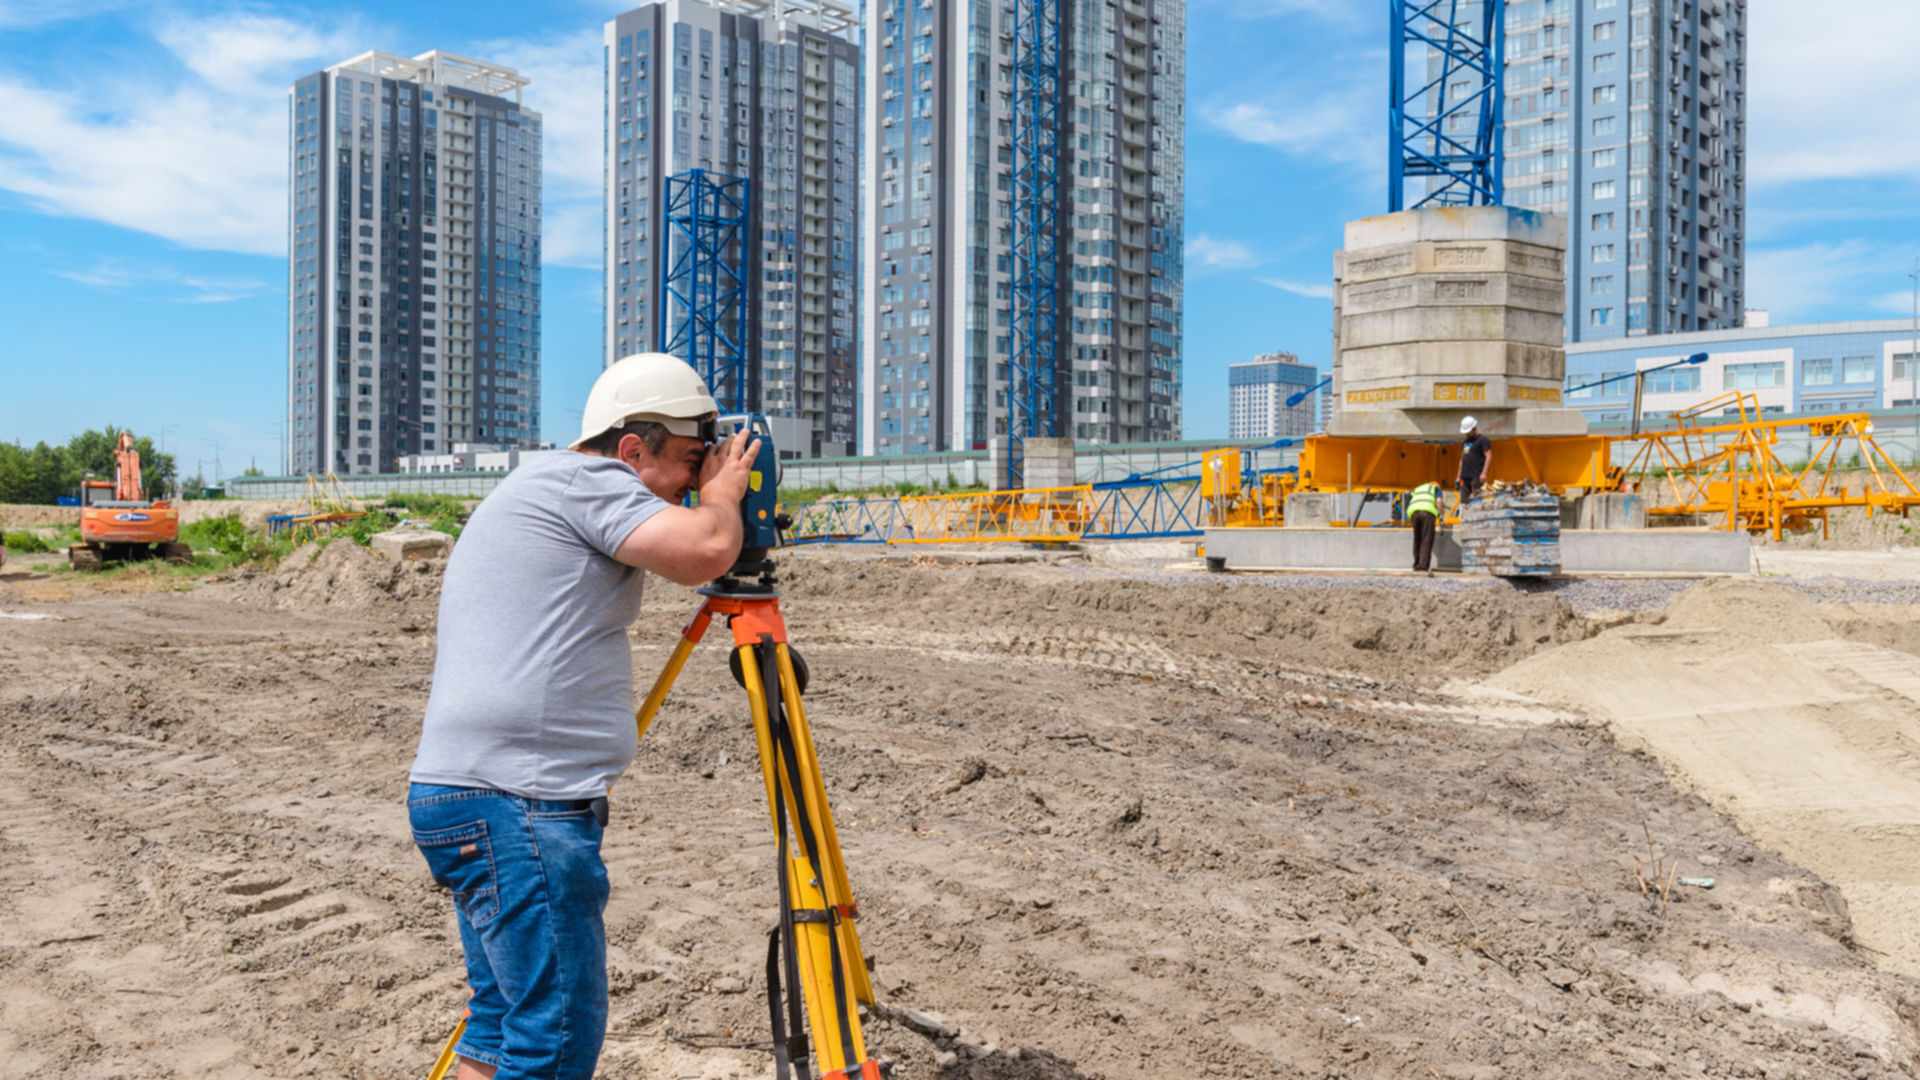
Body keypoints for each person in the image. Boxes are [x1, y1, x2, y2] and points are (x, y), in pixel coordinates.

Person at [405, 352, 759, 1080]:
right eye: (692, 460)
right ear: (632, 449)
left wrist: (705, 484)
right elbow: (707, 550)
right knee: (555, 1040)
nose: (697, 480)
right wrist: (727, 495)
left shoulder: (540, 482)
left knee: (500, 1024)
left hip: (468, 797)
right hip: (518, 808)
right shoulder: (587, 480)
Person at [1407, 478, 1442, 575]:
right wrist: (1441, 515)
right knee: (1426, 539)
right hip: (1427, 513)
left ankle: (1416, 565)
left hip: (1414, 513)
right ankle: (1423, 566)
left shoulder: (1419, 488)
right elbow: (1439, 501)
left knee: (1417, 539)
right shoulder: (1436, 488)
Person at [1457, 415, 1492, 503]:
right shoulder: (1465, 442)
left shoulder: (1483, 440)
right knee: (1464, 503)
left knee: (1476, 501)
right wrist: (1458, 477)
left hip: (1476, 477)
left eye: (1468, 432)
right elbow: (1462, 459)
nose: (1466, 434)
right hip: (1465, 477)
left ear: (1474, 428)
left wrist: (1484, 473)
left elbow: (1489, 456)